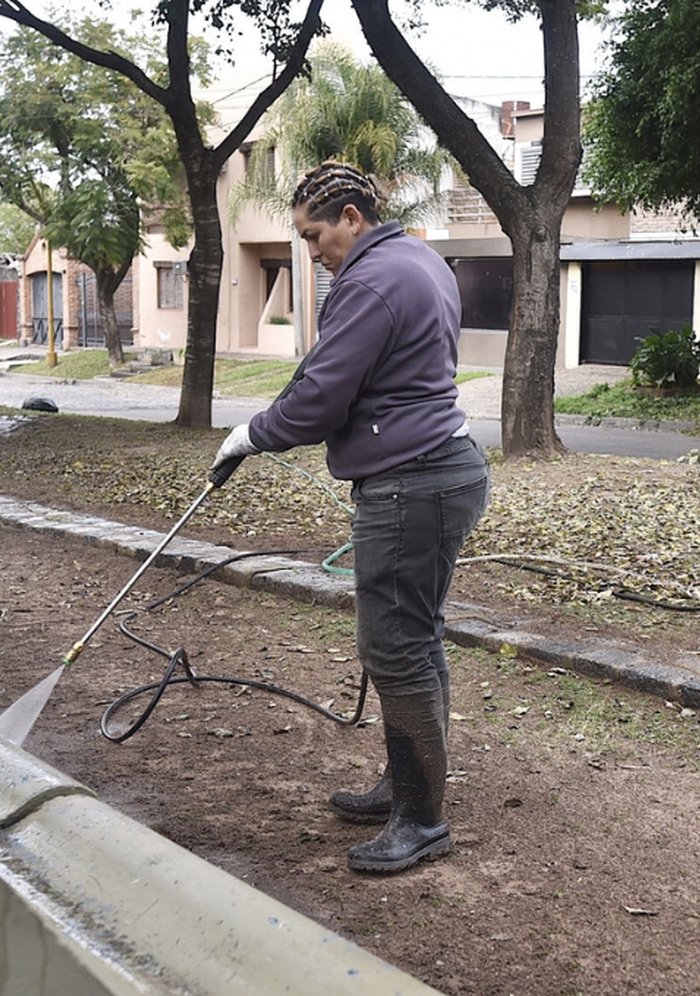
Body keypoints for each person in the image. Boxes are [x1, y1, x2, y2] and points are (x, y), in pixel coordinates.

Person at [212, 161, 490, 874]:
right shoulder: (417, 259)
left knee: (395, 646)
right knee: (413, 640)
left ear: (351, 218)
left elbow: (321, 402)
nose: (313, 252)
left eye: (314, 235)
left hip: (410, 484)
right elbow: (346, 371)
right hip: (441, 469)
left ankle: (421, 820)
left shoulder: (369, 278)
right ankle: (408, 786)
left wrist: (252, 432)